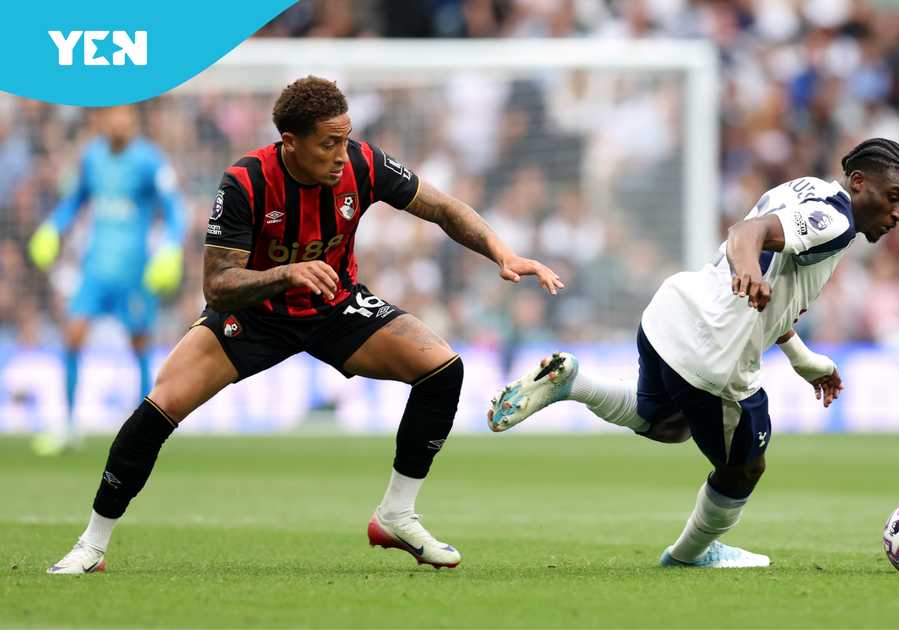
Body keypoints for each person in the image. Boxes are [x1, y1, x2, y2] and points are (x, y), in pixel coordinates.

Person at [47, 76, 563, 574]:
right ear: (290, 143)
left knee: (442, 369)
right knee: (160, 407)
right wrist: (285, 273)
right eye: (329, 143)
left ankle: (396, 515)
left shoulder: (363, 162)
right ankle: (91, 544)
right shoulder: (245, 181)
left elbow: (444, 209)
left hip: (334, 307)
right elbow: (217, 284)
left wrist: (502, 252)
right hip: (254, 317)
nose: (342, 154)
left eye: (346, 138)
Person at [489, 138, 899, 568]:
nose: (898, 213)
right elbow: (745, 234)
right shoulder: (834, 221)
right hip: (717, 354)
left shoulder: (806, 188)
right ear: (859, 182)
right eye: (893, 197)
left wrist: (804, 359)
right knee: (745, 467)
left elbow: (777, 287)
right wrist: (749, 272)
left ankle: (573, 382)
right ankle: (689, 554)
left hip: (672, 312)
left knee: (666, 423)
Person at [27, 106, 186, 455]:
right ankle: (68, 426)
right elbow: (75, 201)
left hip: (135, 272)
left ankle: (144, 432)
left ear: (134, 122)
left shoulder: (150, 161)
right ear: (102, 121)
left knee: (140, 346)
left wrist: (171, 249)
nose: (119, 123)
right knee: (73, 335)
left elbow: (175, 210)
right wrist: (53, 227)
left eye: (126, 117)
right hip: (95, 269)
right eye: (113, 116)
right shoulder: (92, 157)